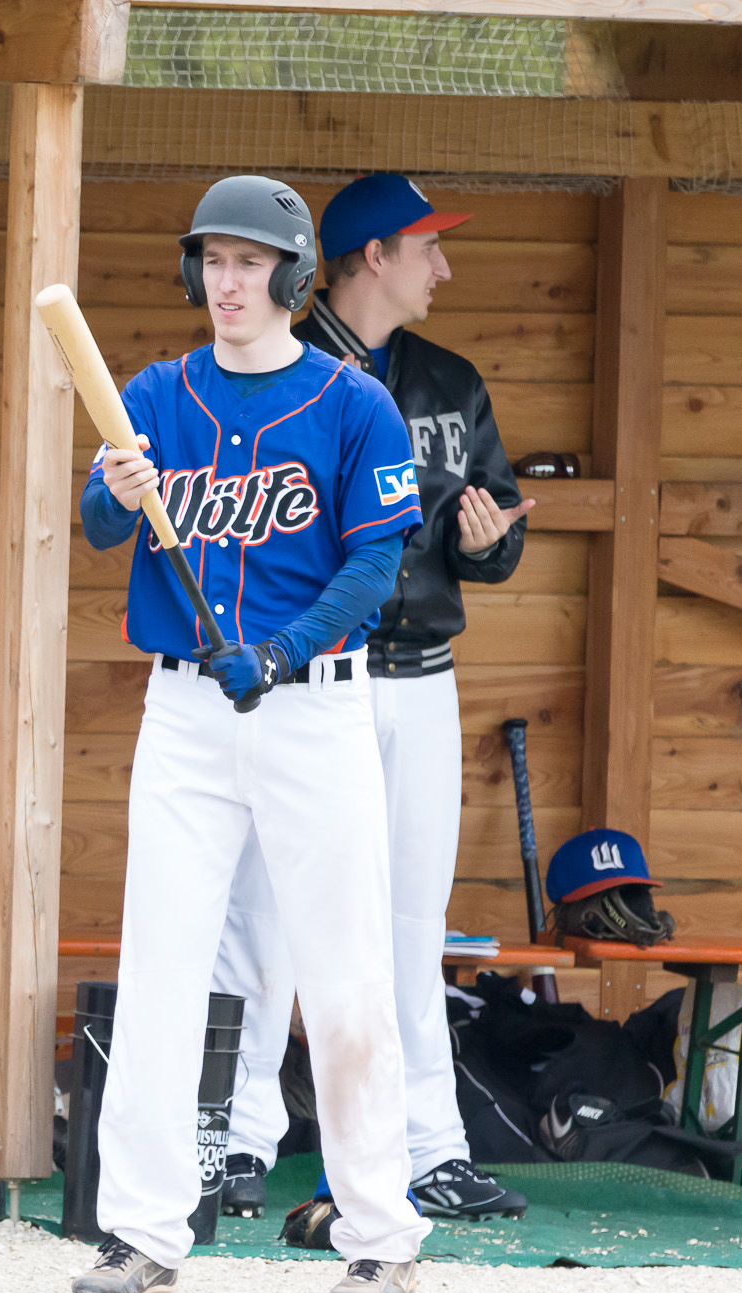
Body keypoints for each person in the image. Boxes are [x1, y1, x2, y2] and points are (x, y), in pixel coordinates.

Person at [68, 175, 432, 1293]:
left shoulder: (353, 404)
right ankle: (141, 1234)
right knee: (160, 966)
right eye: (212, 261)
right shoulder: (154, 394)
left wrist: (281, 651)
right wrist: (118, 489)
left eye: (249, 262)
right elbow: (96, 525)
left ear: (293, 274)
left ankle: (380, 1236)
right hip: (183, 707)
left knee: (343, 970)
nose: (227, 282)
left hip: (310, 703)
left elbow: (376, 563)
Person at [212, 175, 535, 1229]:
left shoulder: (449, 380)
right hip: (307, 681)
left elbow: (495, 538)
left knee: (408, 921)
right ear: (370, 257)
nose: (443, 265)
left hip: (421, 678)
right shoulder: (279, 369)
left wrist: (487, 543)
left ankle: (427, 1147)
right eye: (425, 246)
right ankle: (238, 1139)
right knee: (265, 913)